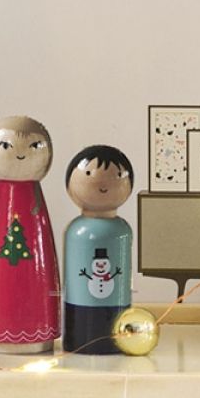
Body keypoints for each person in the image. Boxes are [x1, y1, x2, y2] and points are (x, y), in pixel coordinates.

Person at [0, 116, 61, 354]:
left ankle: (38, 329)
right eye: (6, 146)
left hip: (41, 341)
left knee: (36, 279)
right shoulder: (0, 201)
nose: (21, 154)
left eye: (34, 146)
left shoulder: (35, 202)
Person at [63, 144, 134, 354]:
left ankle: (114, 340)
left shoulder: (121, 230)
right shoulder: (77, 231)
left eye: (116, 176)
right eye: (88, 174)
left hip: (116, 305)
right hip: (78, 311)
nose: (103, 184)